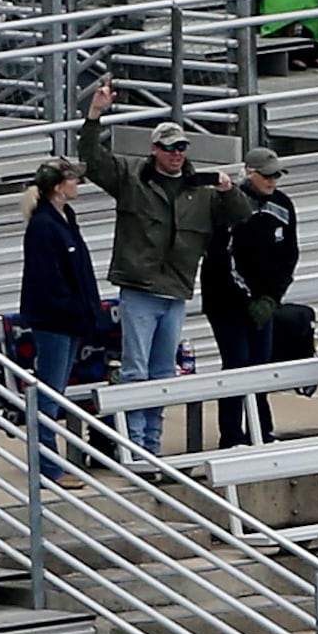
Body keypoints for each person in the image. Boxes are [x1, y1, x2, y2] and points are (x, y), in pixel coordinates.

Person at [76, 83, 227, 458]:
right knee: (134, 371)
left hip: (175, 292)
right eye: (170, 147)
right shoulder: (131, 178)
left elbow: (238, 217)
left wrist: (228, 190)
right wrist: (95, 115)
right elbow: (93, 161)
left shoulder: (200, 188)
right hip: (139, 290)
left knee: (163, 374)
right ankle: (132, 446)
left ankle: (151, 446)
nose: (177, 154)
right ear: (155, 150)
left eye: (182, 148)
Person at [199, 146, 300, 452]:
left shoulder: (283, 205)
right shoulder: (230, 204)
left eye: (276, 176)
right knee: (237, 364)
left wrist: (271, 297)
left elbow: (289, 255)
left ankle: (261, 430)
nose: (272, 181)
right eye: (266, 176)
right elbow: (221, 258)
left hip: (264, 302)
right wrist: (247, 299)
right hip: (225, 302)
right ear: (250, 174)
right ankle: (231, 435)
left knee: (260, 365)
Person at [16, 161, 101, 486]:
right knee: (49, 394)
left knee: (59, 393)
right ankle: (47, 468)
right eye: (71, 179)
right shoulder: (43, 226)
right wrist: (72, 309)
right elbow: (47, 280)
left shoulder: (67, 219)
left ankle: (52, 464)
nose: (78, 182)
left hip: (71, 319)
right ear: (56, 187)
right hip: (54, 321)